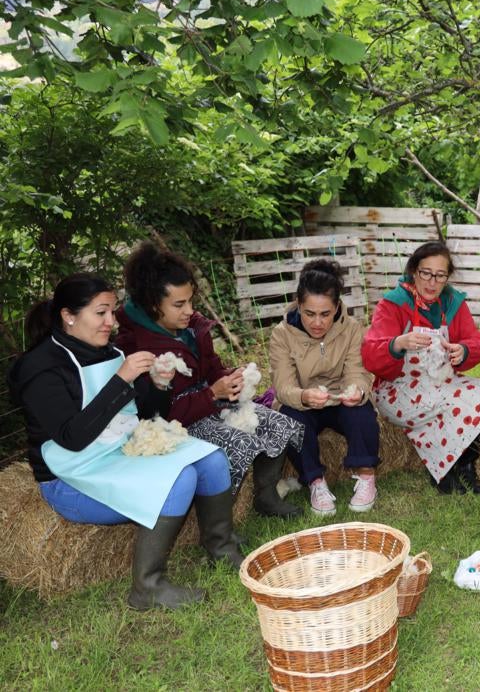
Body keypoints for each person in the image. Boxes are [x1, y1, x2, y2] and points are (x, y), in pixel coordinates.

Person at [8, 273, 243, 610]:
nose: (111, 321)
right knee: (179, 479)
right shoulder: (40, 368)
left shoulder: (111, 351)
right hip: (73, 476)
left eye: (113, 311)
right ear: (68, 315)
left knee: (212, 460)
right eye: (101, 313)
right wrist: (122, 380)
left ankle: (222, 549)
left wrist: (159, 386)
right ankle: (146, 587)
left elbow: (147, 415)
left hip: (122, 453)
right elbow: (72, 438)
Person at [115, 242, 303, 518]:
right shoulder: (137, 346)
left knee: (279, 423)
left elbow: (212, 366)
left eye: (191, 301)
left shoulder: (190, 327)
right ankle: (219, 521)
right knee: (242, 442)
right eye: (179, 304)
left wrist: (230, 379)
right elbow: (156, 415)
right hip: (178, 424)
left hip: (209, 404)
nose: (189, 310)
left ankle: (266, 497)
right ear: (153, 304)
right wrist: (212, 394)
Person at [362, 240, 480, 494]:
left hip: (442, 382)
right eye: (426, 273)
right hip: (397, 389)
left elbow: (477, 341)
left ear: (447, 278)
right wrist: (397, 343)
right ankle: (445, 471)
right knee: (453, 403)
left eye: (440, 276)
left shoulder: (453, 303)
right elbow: (369, 353)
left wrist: (465, 350)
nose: (432, 282)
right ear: (414, 271)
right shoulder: (393, 304)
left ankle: (465, 465)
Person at [269, 259, 380, 515]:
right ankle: (315, 482)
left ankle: (366, 476)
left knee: (362, 410)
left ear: (337, 307)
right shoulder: (281, 334)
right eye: (309, 313)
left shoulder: (351, 329)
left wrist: (357, 390)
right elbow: (283, 387)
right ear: (298, 304)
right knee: (290, 418)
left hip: (339, 398)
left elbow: (357, 371)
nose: (317, 322)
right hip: (303, 401)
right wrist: (304, 396)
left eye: (325, 314)